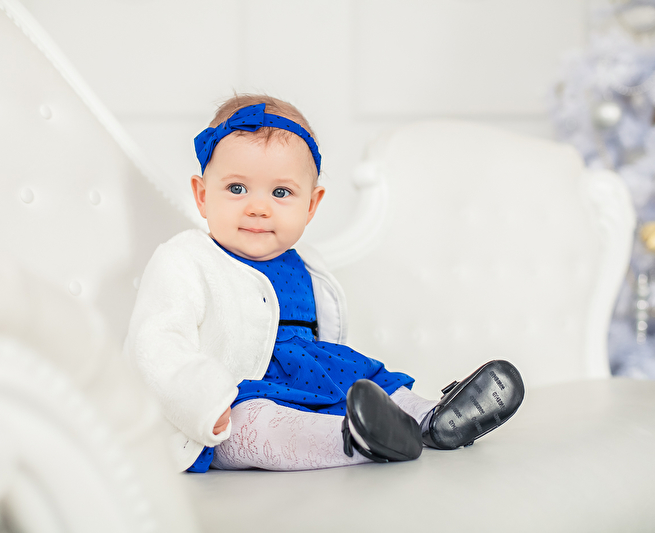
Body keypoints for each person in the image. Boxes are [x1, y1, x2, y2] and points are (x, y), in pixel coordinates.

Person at [124, 94, 524, 472]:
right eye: (236, 188)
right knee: (256, 425)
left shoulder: (306, 263)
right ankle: (354, 439)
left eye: (281, 192)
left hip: (311, 377)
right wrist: (203, 403)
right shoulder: (186, 259)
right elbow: (156, 345)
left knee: (370, 380)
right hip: (235, 397)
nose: (258, 207)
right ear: (201, 195)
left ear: (311, 205)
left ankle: (431, 419)